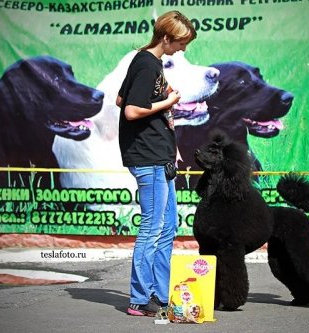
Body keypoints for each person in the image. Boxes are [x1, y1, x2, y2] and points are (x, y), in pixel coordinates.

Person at [115, 11, 197, 317]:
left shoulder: (145, 61)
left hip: (159, 156)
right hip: (148, 158)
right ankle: (139, 298)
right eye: (180, 43)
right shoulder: (147, 64)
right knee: (152, 227)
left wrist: (159, 99)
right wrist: (168, 103)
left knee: (168, 227)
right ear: (166, 38)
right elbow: (131, 112)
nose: (183, 49)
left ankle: (160, 292)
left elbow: (120, 99)